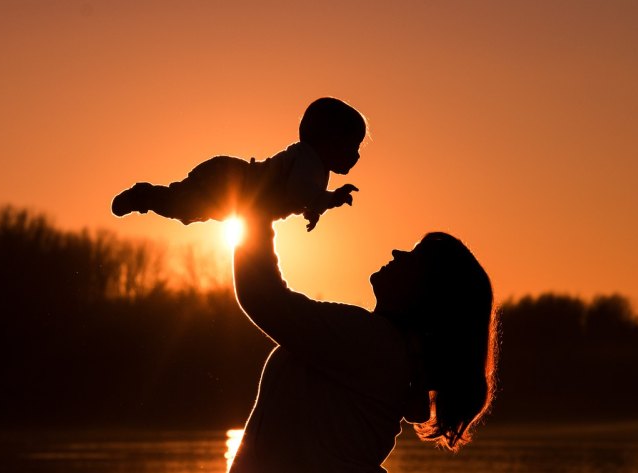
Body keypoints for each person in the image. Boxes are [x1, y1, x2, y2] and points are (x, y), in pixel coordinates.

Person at [230, 212, 497, 472]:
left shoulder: (375, 344)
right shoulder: (388, 354)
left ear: (427, 295)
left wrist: (259, 210)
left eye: (414, 258)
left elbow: (263, 297)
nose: (396, 253)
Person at [111, 97, 365, 231]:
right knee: (183, 206)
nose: (356, 156)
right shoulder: (308, 160)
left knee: (188, 210)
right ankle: (143, 195)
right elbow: (299, 191)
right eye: (352, 147)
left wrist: (313, 210)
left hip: (236, 187)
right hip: (230, 181)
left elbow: (300, 195)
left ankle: (147, 197)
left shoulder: (315, 169)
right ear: (328, 139)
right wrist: (329, 200)